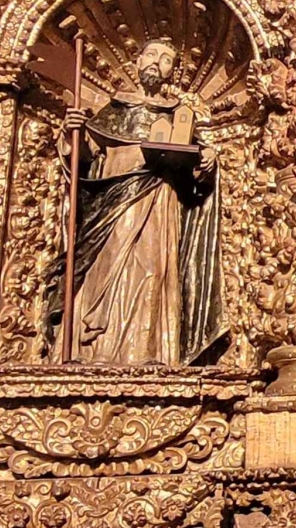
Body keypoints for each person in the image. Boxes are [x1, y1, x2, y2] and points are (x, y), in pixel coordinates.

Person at [46, 38, 224, 365]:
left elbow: (195, 171)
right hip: (112, 202)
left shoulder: (178, 116)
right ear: (138, 62)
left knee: (153, 270)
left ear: (173, 73)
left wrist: (207, 159)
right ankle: (93, 350)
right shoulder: (114, 110)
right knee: (106, 267)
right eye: (151, 55)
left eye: (166, 59)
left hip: (158, 200)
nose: (156, 62)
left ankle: (149, 351)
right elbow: (83, 158)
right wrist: (73, 133)